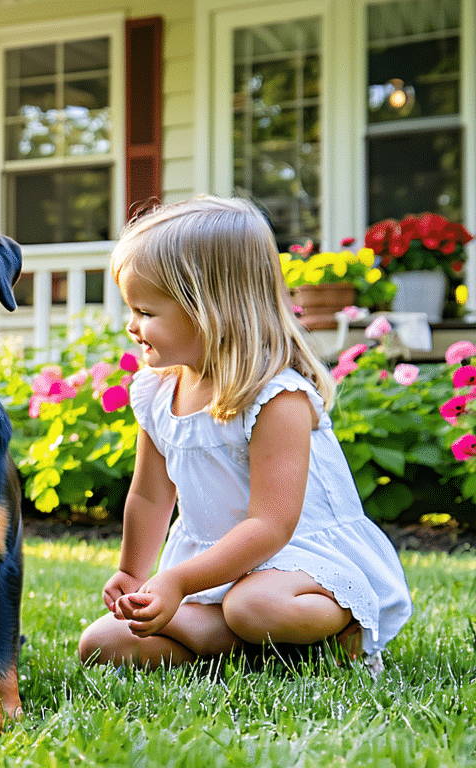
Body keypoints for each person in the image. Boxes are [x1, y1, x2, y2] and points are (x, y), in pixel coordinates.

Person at [77, 196, 412, 671]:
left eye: (146, 312)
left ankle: (339, 628)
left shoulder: (276, 398)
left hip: (297, 563)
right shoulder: (157, 392)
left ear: (211, 310)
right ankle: (260, 651)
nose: (132, 326)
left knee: (253, 607)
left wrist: (178, 583)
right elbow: (150, 496)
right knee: (102, 644)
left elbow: (271, 526)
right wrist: (133, 574)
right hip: (215, 569)